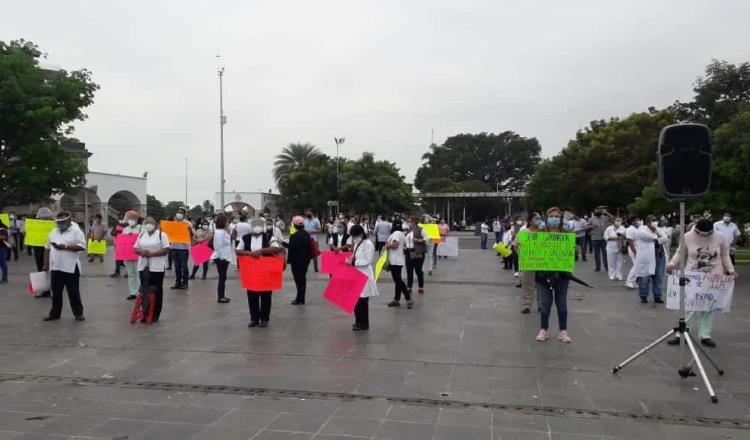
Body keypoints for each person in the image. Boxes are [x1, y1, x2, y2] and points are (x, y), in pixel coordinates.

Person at [667, 218, 738, 347]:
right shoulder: (687, 236)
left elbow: (725, 255)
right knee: (689, 306)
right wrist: (672, 264)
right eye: (702, 234)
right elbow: (680, 252)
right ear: (697, 230)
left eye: (708, 234)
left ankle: (705, 335)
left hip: (713, 275)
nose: (705, 237)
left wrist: (731, 270)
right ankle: (682, 333)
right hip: (693, 276)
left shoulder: (720, 237)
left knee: (708, 307)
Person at [236, 218, 285, 327]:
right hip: (251, 271)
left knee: (266, 295)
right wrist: (249, 253)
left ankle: (264, 318)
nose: (257, 227)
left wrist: (262, 251)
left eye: (259, 225)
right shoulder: (246, 238)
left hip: (265, 271)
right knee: (252, 294)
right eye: (255, 225)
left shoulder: (268, 237)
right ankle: (254, 318)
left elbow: (276, 249)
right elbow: (238, 250)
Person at [534, 207, 572, 343]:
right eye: (551, 216)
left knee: (561, 304)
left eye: (557, 216)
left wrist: (573, 250)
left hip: (562, 275)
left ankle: (563, 331)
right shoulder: (538, 234)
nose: (554, 218)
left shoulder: (567, 235)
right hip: (543, 276)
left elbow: (574, 254)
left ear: (561, 218)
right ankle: (544, 329)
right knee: (545, 304)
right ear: (547, 218)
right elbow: (529, 250)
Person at [42, 211, 87, 322]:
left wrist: (66, 247)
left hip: (70, 267)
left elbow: (82, 246)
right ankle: (55, 313)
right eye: (58, 222)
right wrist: (46, 263)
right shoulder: (53, 232)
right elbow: (47, 248)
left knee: (73, 292)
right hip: (56, 267)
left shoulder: (76, 231)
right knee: (56, 292)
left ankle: (78, 313)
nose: (60, 224)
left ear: (68, 220)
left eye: (62, 222)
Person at [134, 216, 171, 322]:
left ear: (155, 224)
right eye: (147, 222)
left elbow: (166, 249)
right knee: (144, 290)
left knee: (156, 290)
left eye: (151, 222)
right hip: (143, 266)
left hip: (157, 267)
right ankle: (145, 312)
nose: (149, 224)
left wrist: (152, 254)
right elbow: (135, 248)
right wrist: (142, 252)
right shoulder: (142, 235)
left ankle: (155, 313)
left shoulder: (161, 235)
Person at [347, 224, 379, 331]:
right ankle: (358, 321)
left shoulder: (368, 244)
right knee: (356, 299)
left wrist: (352, 262)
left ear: (361, 234)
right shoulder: (358, 243)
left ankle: (364, 324)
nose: (353, 238)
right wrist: (351, 258)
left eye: (355, 235)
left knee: (362, 301)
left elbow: (367, 260)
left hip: (364, 275)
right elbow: (355, 254)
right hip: (356, 274)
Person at [633, 215, 669, 304]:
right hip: (647, 258)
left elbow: (665, 239)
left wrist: (656, 238)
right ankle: (643, 296)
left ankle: (657, 296)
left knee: (658, 278)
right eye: (653, 220)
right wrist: (657, 238)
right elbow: (644, 236)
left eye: (656, 220)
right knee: (645, 277)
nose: (655, 222)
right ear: (648, 222)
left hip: (660, 257)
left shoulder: (659, 229)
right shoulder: (641, 229)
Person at [518, 212, 542, 314]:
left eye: (540, 218)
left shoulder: (544, 232)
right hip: (528, 261)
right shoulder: (524, 232)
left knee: (541, 284)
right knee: (528, 284)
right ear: (530, 221)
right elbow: (515, 244)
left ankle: (541, 304)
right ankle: (527, 304)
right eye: (536, 218)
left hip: (542, 261)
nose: (539, 220)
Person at [386, 220, 413, 309]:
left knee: (398, 281)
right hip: (398, 260)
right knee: (397, 281)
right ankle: (396, 299)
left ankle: (408, 298)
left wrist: (387, 246)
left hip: (395, 261)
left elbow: (395, 245)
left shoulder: (396, 233)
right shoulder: (401, 233)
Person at [28, 208, 54, 297]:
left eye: (46, 219)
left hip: (51, 249)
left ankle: (54, 289)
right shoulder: (34, 226)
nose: (44, 220)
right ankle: (44, 290)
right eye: (42, 218)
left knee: (53, 269)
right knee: (41, 269)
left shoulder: (54, 226)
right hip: (38, 248)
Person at [288, 216, 313, 305]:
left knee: (298, 280)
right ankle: (300, 298)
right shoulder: (307, 234)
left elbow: (292, 247)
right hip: (305, 259)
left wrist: (282, 243)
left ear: (294, 225)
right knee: (302, 279)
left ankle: (299, 298)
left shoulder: (294, 236)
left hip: (296, 261)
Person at [170, 206, 193, 290]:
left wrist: (189, 230)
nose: (179, 214)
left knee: (184, 266)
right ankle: (177, 282)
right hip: (174, 247)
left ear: (184, 214)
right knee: (176, 266)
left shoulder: (188, 223)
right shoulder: (173, 223)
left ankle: (185, 282)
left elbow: (191, 235)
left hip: (183, 248)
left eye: (181, 213)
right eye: (178, 212)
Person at [211, 214, 232, 304]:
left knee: (223, 277)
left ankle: (222, 295)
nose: (228, 223)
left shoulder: (223, 231)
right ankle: (220, 296)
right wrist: (222, 258)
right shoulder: (219, 232)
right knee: (222, 277)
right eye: (227, 222)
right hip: (221, 257)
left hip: (224, 256)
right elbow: (219, 246)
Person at [121, 211, 142, 300]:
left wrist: (134, 236)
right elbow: (122, 241)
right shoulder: (125, 229)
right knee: (131, 274)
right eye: (129, 219)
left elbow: (143, 239)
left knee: (138, 273)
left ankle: (139, 292)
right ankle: (132, 292)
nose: (131, 220)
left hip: (137, 254)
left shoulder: (141, 228)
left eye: (133, 219)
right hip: (128, 254)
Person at [404, 217, 426, 295]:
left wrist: (418, 240)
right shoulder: (408, 231)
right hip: (409, 252)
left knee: (418, 270)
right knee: (409, 270)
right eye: (408, 222)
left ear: (414, 222)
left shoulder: (421, 229)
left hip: (418, 252)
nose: (409, 223)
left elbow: (427, 239)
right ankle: (409, 287)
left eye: (410, 222)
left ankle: (421, 287)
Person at [586, 207, 610, 272]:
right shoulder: (591, 219)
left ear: (601, 211)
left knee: (605, 253)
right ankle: (598, 267)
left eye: (599, 211)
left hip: (604, 239)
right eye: (596, 211)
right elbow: (586, 227)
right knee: (596, 254)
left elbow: (614, 219)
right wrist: (592, 226)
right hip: (595, 238)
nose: (598, 212)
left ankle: (607, 267)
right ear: (594, 212)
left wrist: (607, 213)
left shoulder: (605, 218)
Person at [624, 215, 641, 289]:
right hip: (633, 249)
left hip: (639, 249)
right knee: (636, 266)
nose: (638, 221)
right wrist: (635, 252)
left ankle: (633, 282)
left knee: (638, 266)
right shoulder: (630, 230)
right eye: (637, 220)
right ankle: (629, 281)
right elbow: (630, 242)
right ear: (632, 221)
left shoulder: (637, 228)